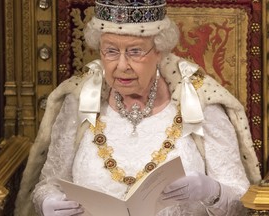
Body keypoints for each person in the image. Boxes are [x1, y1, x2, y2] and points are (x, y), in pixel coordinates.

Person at [15, 0, 262, 215]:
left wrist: (212, 191)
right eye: (111, 51)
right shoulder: (80, 101)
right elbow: (48, 183)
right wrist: (47, 201)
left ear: (160, 51)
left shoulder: (197, 102)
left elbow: (243, 203)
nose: (122, 65)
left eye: (135, 52)